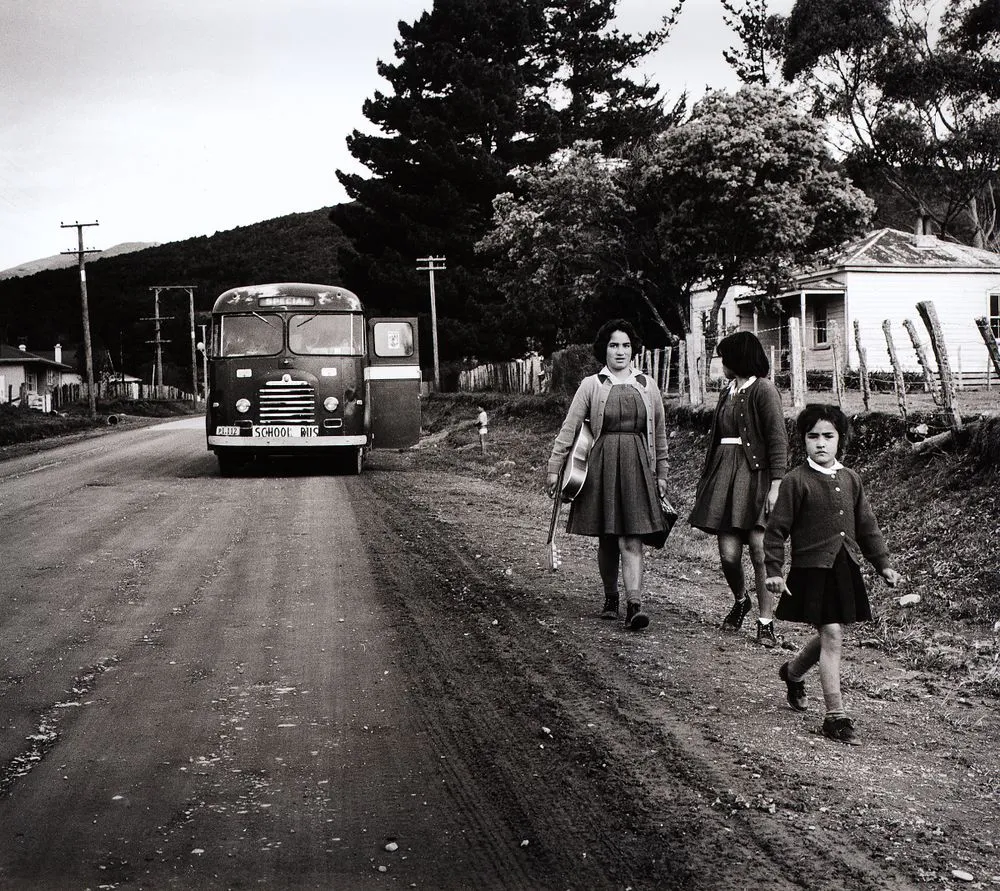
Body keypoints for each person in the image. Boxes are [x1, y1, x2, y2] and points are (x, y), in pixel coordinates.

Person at [765, 404, 902, 745]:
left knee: (833, 633)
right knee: (833, 634)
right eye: (813, 437)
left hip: (844, 566)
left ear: (840, 439)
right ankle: (835, 717)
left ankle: (793, 672)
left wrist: (882, 563)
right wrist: (774, 570)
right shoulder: (797, 480)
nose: (821, 444)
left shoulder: (851, 478)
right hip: (812, 570)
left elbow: (867, 526)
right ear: (804, 441)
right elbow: (776, 530)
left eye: (828, 436)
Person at [546, 319, 670, 631]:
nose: (620, 351)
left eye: (626, 345)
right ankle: (611, 597)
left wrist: (662, 474)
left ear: (634, 349)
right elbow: (569, 428)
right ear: (605, 349)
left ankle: (634, 604)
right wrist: (554, 468)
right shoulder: (591, 385)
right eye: (614, 345)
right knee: (608, 538)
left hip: (638, 465)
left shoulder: (648, 385)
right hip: (601, 465)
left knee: (634, 538)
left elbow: (660, 436)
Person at [688, 331, 787, 646]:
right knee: (729, 555)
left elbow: (777, 439)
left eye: (724, 358)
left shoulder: (764, 390)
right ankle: (741, 601)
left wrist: (776, 486)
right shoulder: (726, 392)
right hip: (725, 479)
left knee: (760, 551)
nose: (722, 364)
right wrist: (708, 479)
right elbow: (716, 439)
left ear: (738, 359)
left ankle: (766, 622)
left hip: (756, 479)